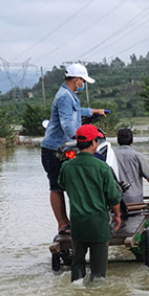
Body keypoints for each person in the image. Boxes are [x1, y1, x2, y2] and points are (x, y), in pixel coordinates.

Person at [41, 63, 107, 235]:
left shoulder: (69, 96)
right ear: (77, 80)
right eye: (82, 81)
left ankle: (70, 221)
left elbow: (77, 111)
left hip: (63, 147)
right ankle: (62, 224)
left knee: (69, 185)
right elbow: (67, 124)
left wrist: (94, 111)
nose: (82, 84)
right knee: (56, 186)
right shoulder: (64, 97)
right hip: (54, 149)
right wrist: (83, 139)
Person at [58, 125, 122, 282]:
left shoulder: (66, 167)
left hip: (78, 225)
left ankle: (76, 289)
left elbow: (62, 185)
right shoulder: (102, 167)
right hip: (98, 224)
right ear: (94, 142)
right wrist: (118, 215)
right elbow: (113, 196)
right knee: (98, 272)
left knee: (77, 264)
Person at [114, 128, 149, 206]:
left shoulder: (111, 156)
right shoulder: (138, 156)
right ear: (132, 141)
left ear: (117, 141)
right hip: (135, 200)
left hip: (116, 200)